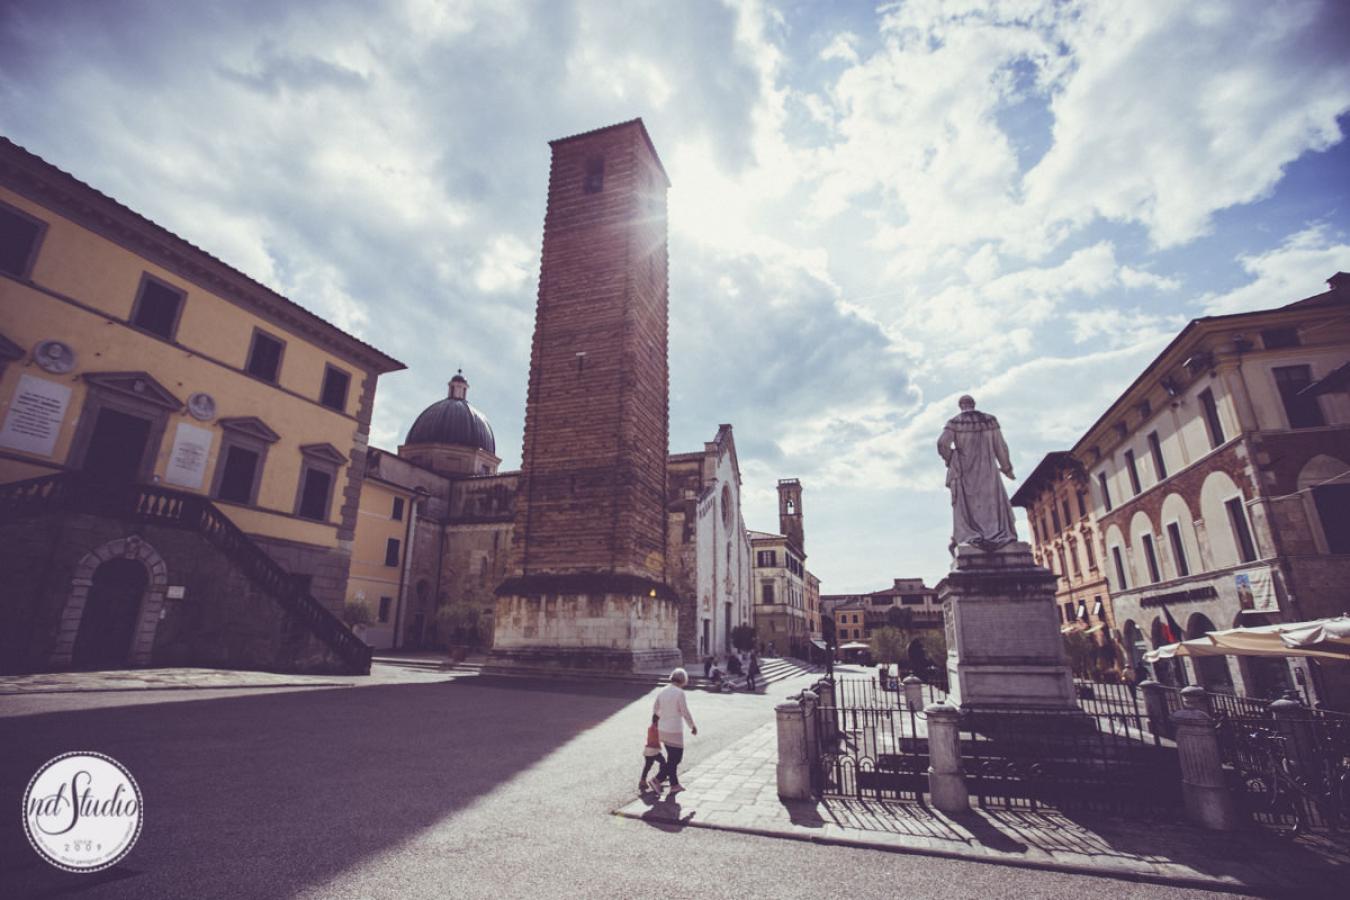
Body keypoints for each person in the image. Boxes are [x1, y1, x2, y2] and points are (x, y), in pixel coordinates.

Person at [936, 395, 1018, 554]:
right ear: (974, 404)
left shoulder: (954, 422)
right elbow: (1001, 446)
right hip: (988, 470)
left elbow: (941, 443)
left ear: (961, 406)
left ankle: (974, 536)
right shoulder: (990, 421)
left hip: (965, 472)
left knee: (969, 507)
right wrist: (1006, 468)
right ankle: (997, 534)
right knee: (992, 503)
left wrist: (952, 458)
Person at [652, 668, 698, 792]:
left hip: (663, 729)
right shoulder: (679, 692)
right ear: (683, 680)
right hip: (674, 730)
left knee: (672, 758)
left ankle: (674, 785)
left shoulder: (662, 691)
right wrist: (692, 726)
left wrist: (664, 716)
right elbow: (684, 711)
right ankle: (657, 779)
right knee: (676, 758)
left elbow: (656, 709)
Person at [640, 714, 665, 793]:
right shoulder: (655, 728)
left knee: (648, 766)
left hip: (649, 750)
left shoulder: (652, 727)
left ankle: (642, 781)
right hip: (653, 751)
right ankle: (657, 780)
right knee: (663, 763)